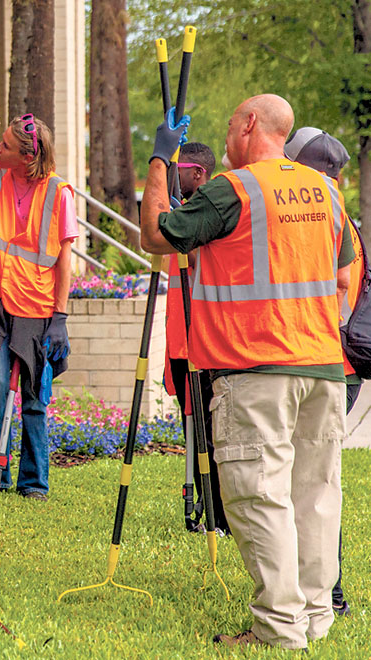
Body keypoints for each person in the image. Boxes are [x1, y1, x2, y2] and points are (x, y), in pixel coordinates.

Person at [140, 95, 354, 650]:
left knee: (259, 496)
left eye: (232, 123)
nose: (228, 134)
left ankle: (280, 628)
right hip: (324, 370)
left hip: (256, 367)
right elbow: (343, 265)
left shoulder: (235, 189)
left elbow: (157, 234)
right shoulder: (328, 192)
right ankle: (313, 616)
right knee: (314, 495)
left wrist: (161, 160)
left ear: (251, 125)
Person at [0, 108, 77, 499]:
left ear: (27, 156)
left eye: (4, 146)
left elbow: (64, 260)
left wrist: (60, 316)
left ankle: (33, 483)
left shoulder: (59, 193)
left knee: (32, 397)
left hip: (36, 308)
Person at [284, 126, 356, 618]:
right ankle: (322, 591)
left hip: (322, 364)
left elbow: (342, 287)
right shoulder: (336, 216)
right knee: (315, 484)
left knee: (309, 487)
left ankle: (324, 593)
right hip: (333, 367)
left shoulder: (320, 217)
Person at [161, 142, 230, 536]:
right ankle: (203, 501)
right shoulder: (182, 213)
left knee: (212, 431)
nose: (175, 177)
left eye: (179, 170)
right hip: (179, 341)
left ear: (198, 173)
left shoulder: (207, 215)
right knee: (194, 429)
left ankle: (220, 516)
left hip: (203, 343)